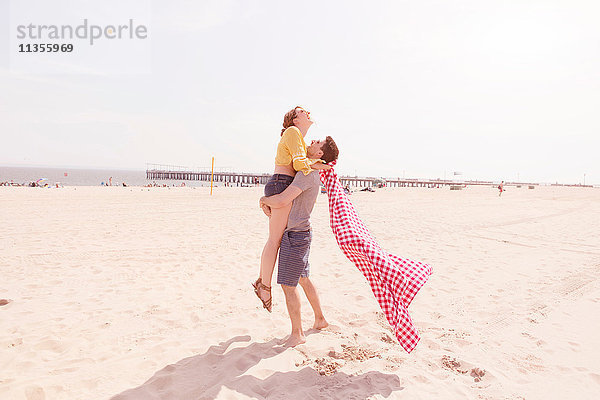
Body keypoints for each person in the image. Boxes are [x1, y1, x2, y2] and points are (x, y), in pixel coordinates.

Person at [259, 136, 339, 346]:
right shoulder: (312, 170)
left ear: (319, 153)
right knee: (303, 279)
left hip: (295, 235)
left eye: (317, 142)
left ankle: (297, 334)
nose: (313, 141)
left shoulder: (307, 174)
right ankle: (320, 320)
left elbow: (284, 199)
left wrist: (263, 200)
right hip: (302, 233)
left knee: (288, 284)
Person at [252, 106, 331, 312]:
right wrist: (315, 165)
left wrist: (315, 163)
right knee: (274, 240)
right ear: (295, 120)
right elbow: (299, 164)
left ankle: (263, 282)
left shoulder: (299, 139)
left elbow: (303, 161)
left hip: (283, 183)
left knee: (275, 239)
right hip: (281, 183)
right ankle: (264, 286)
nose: (308, 112)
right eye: (302, 111)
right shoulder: (293, 132)